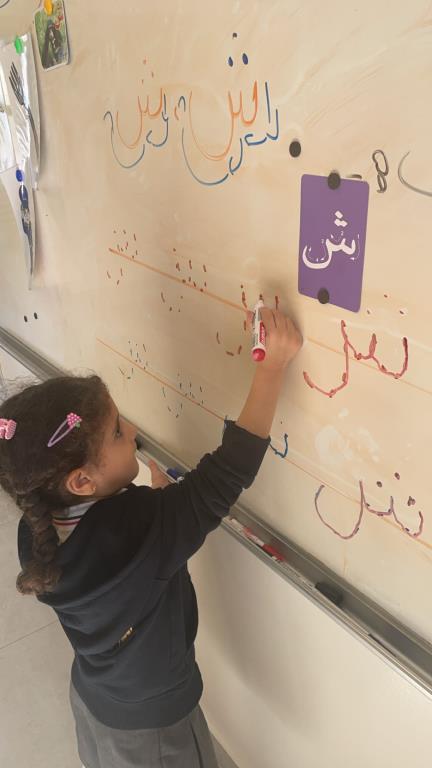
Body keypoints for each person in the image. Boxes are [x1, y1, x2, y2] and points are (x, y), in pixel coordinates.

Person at [0, 306, 302, 768]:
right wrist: (273, 367)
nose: (134, 432)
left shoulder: (34, 529)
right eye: (118, 433)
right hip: (154, 730)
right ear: (82, 481)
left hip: (97, 699)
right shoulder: (139, 530)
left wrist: (156, 509)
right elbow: (226, 475)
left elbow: (123, 551)